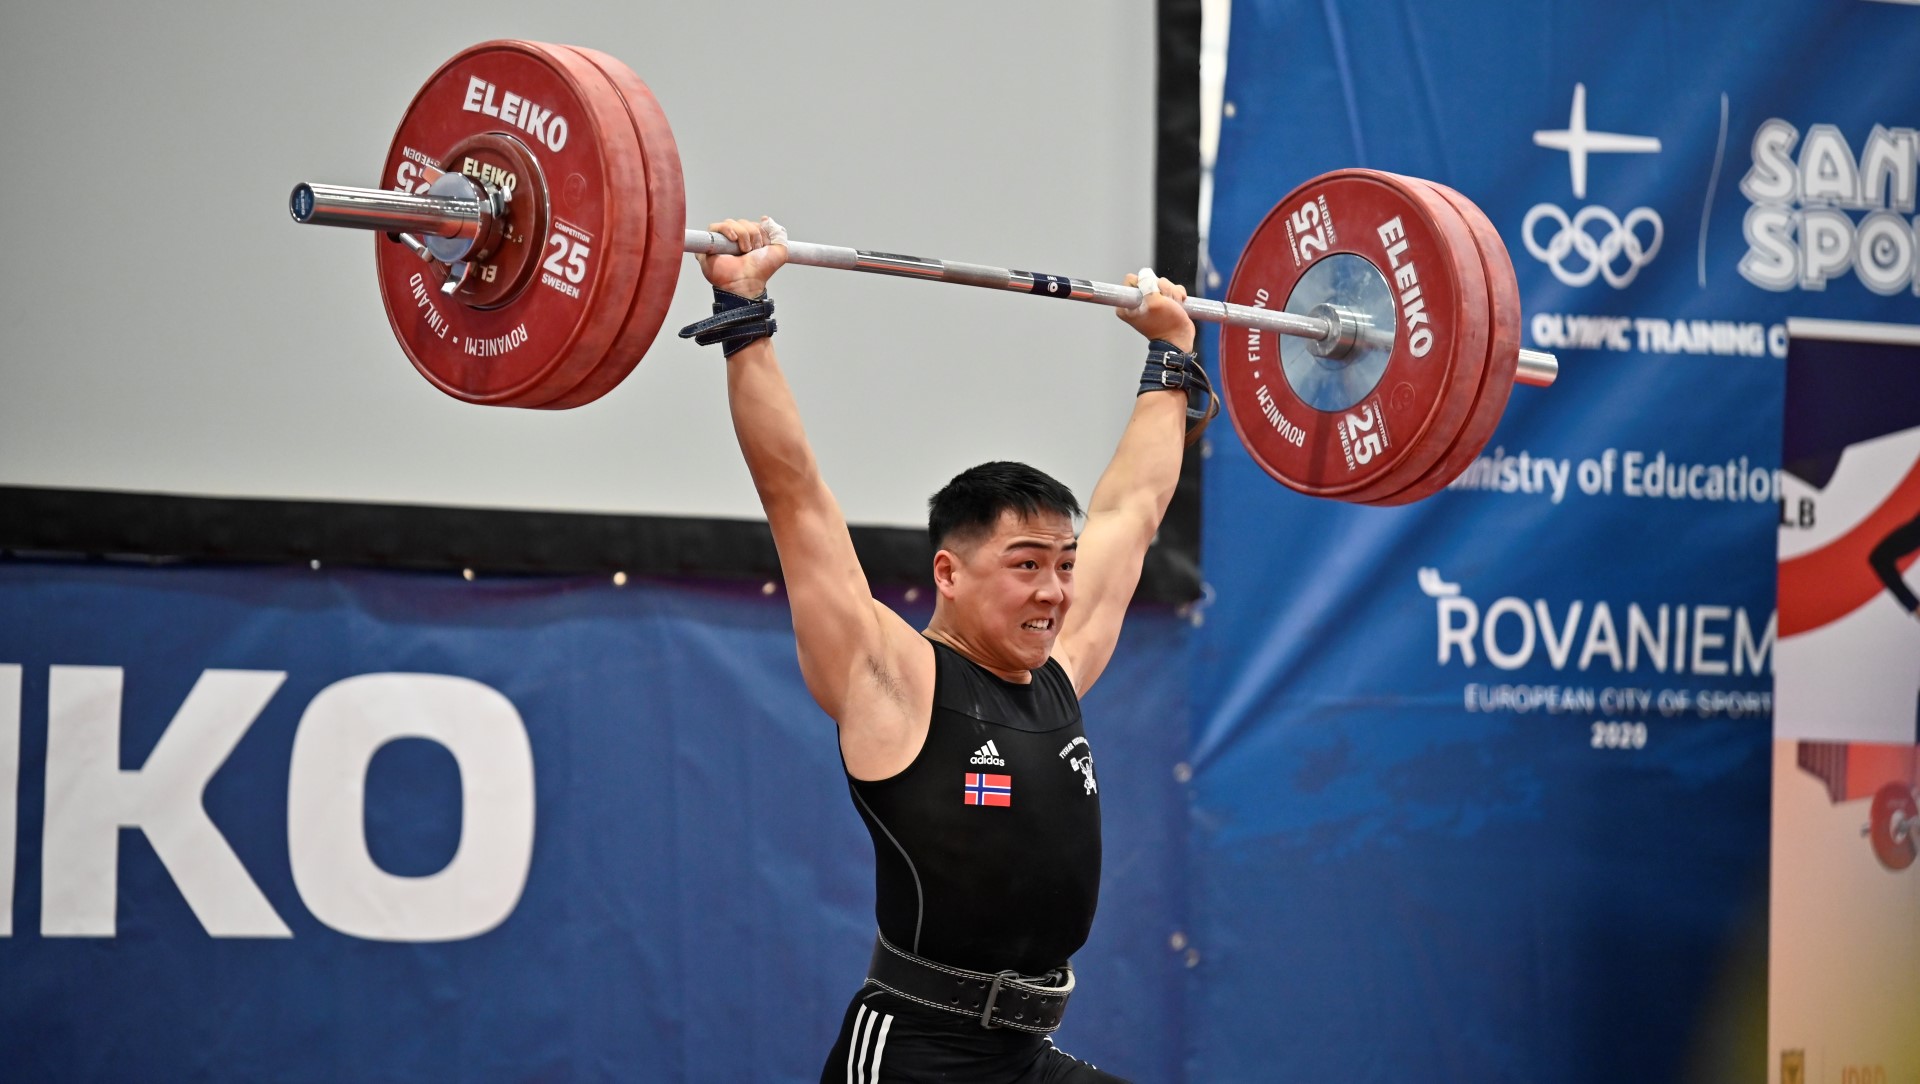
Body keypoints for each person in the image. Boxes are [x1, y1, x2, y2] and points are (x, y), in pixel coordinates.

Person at [682, 217, 1210, 1083]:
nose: (1054, 590)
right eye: (1027, 565)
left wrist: (1170, 354)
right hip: (916, 1057)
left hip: (1024, 1056)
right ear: (949, 574)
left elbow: (1134, 510)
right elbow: (797, 498)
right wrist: (745, 313)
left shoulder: (1060, 665)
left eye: (1063, 566)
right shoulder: (895, 679)